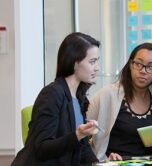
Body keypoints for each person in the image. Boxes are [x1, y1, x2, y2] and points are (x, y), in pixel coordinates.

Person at [12, 32, 101, 166]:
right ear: (75, 63)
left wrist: (101, 163)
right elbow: (42, 148)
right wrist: (77, 135)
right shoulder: (52, 94)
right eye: (92, 62)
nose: (97, 67)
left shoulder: (79, 96)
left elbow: (81, 146)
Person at [87, 43, 152, 161]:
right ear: (130, 65)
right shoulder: (107, 95)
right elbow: (85, 135)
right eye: (138, 64)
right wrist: (105, 160)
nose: (143, 71)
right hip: (118, 163)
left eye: (151, 67)